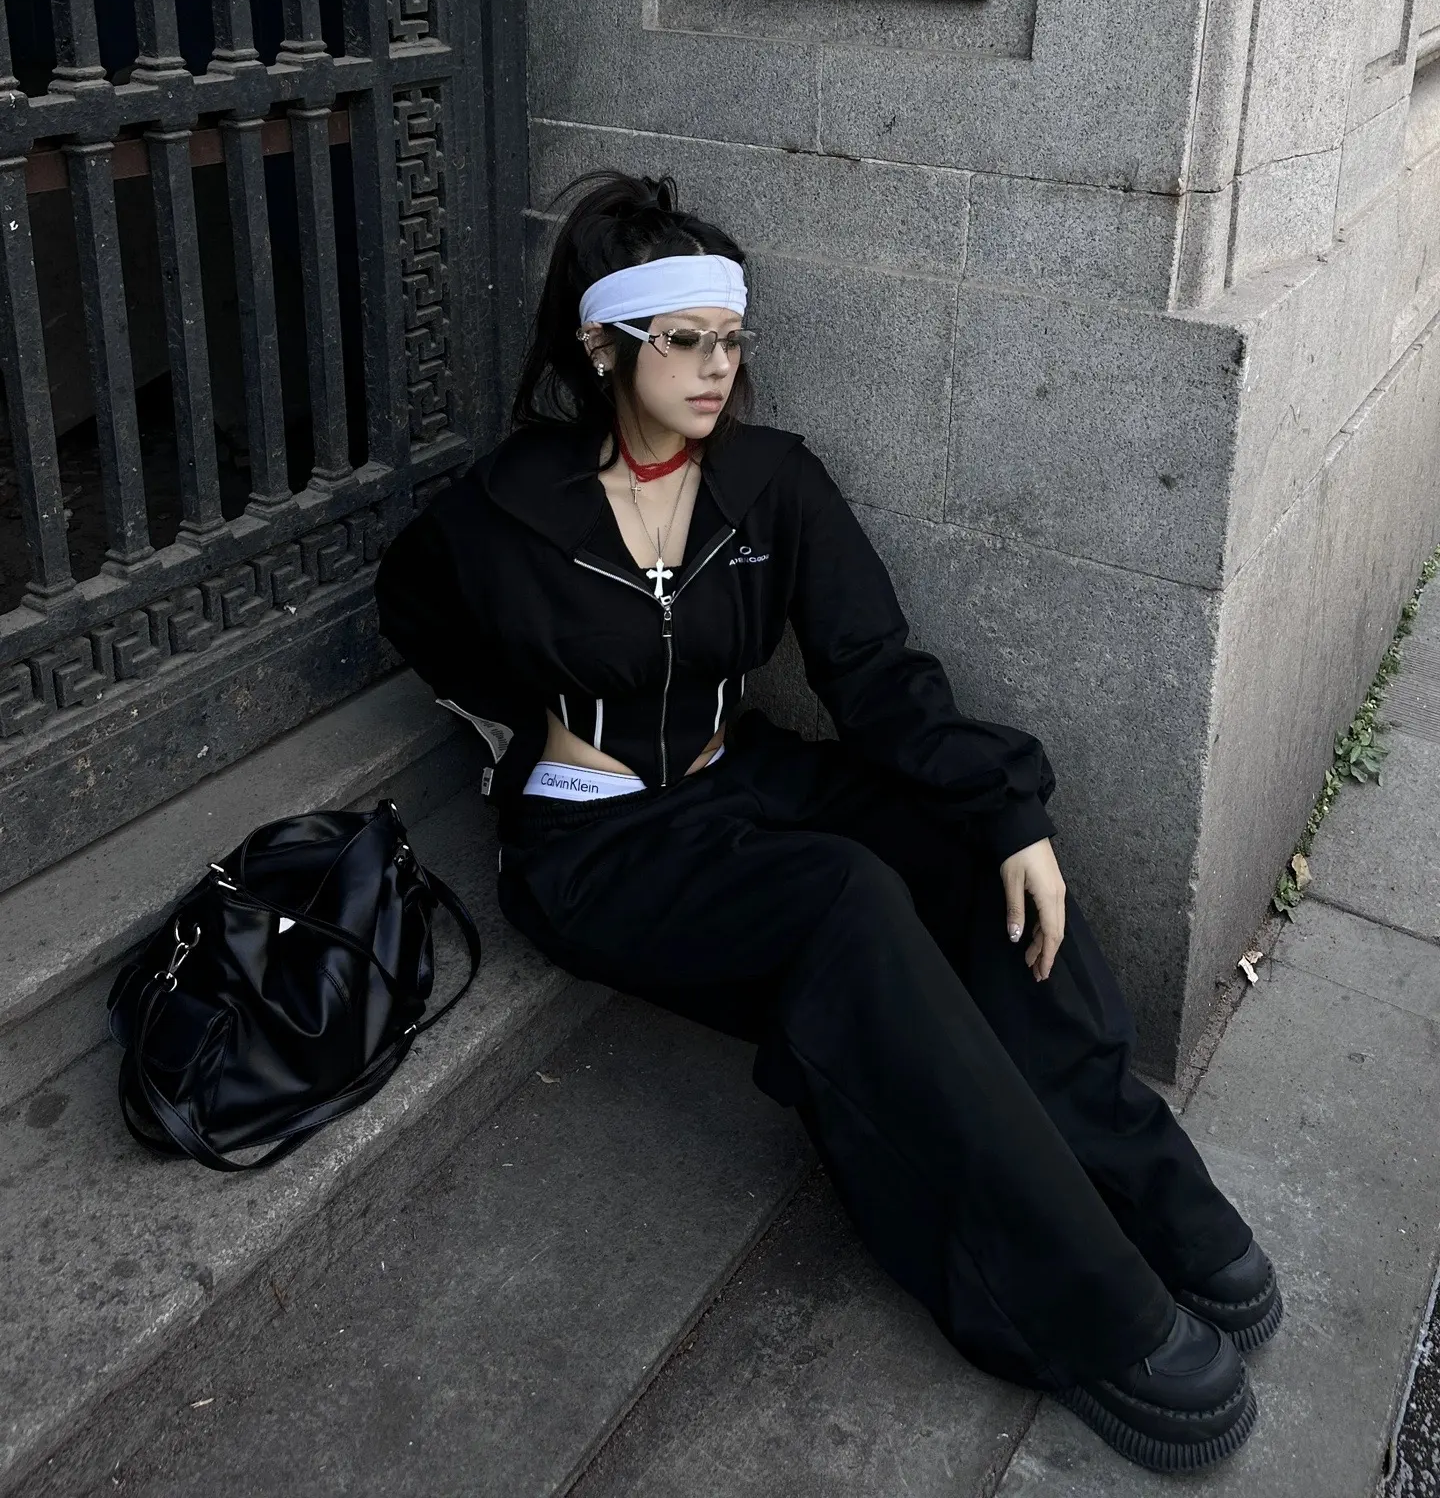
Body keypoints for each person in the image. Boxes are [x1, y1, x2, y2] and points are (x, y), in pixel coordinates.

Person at [374, 171, 1281, 1471]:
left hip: (742, 779)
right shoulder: (504, 511)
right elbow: (413, 606)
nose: (718, 369)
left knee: (960, 853)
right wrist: (527, 726)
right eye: (685, 341)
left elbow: (876, 674)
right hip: (600, 848)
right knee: (844, 899)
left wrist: (1008, 815)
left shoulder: (770, 482)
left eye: (730, 339)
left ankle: (1148, 1190)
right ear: (603, 345)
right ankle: (1077, 1305)